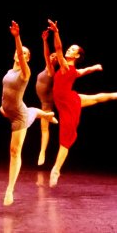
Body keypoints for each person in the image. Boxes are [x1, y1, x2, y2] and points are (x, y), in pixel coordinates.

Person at [47, 19, 117, 188]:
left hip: (67, 105)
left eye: (72, 49)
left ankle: (56, 169)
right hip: (68, 100)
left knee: (65, 139)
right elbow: (84, 70)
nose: (68, 50)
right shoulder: (72, 69)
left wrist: (56, 33)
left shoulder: (66, 66)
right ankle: (115, 95)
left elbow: (58, 48)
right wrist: (96, 67)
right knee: (96, 98)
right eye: (69, 48)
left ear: (76, 56)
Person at [0, 20, 58, 206]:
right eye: (19, 52)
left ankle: (10, 190)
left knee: (14, 151)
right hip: (10, 111)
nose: (20, 54)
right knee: (30, 110)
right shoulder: (9, 71)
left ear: (27, 59)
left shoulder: (25, 72)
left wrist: (17, 37)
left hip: (18, 116)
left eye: (25, 53)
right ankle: (44, 114)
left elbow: (21, 55)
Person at [35, 29, 58, 166]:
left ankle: (42, 152)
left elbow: (46, 54)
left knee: (44, 128)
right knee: (43, 127)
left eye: (56, 57)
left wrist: (45, 41)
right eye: (52, 56)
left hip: (46, 103)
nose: (53, 57)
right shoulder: (46, 69)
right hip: (43, 101)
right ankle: (50, 116)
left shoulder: (51, 70)